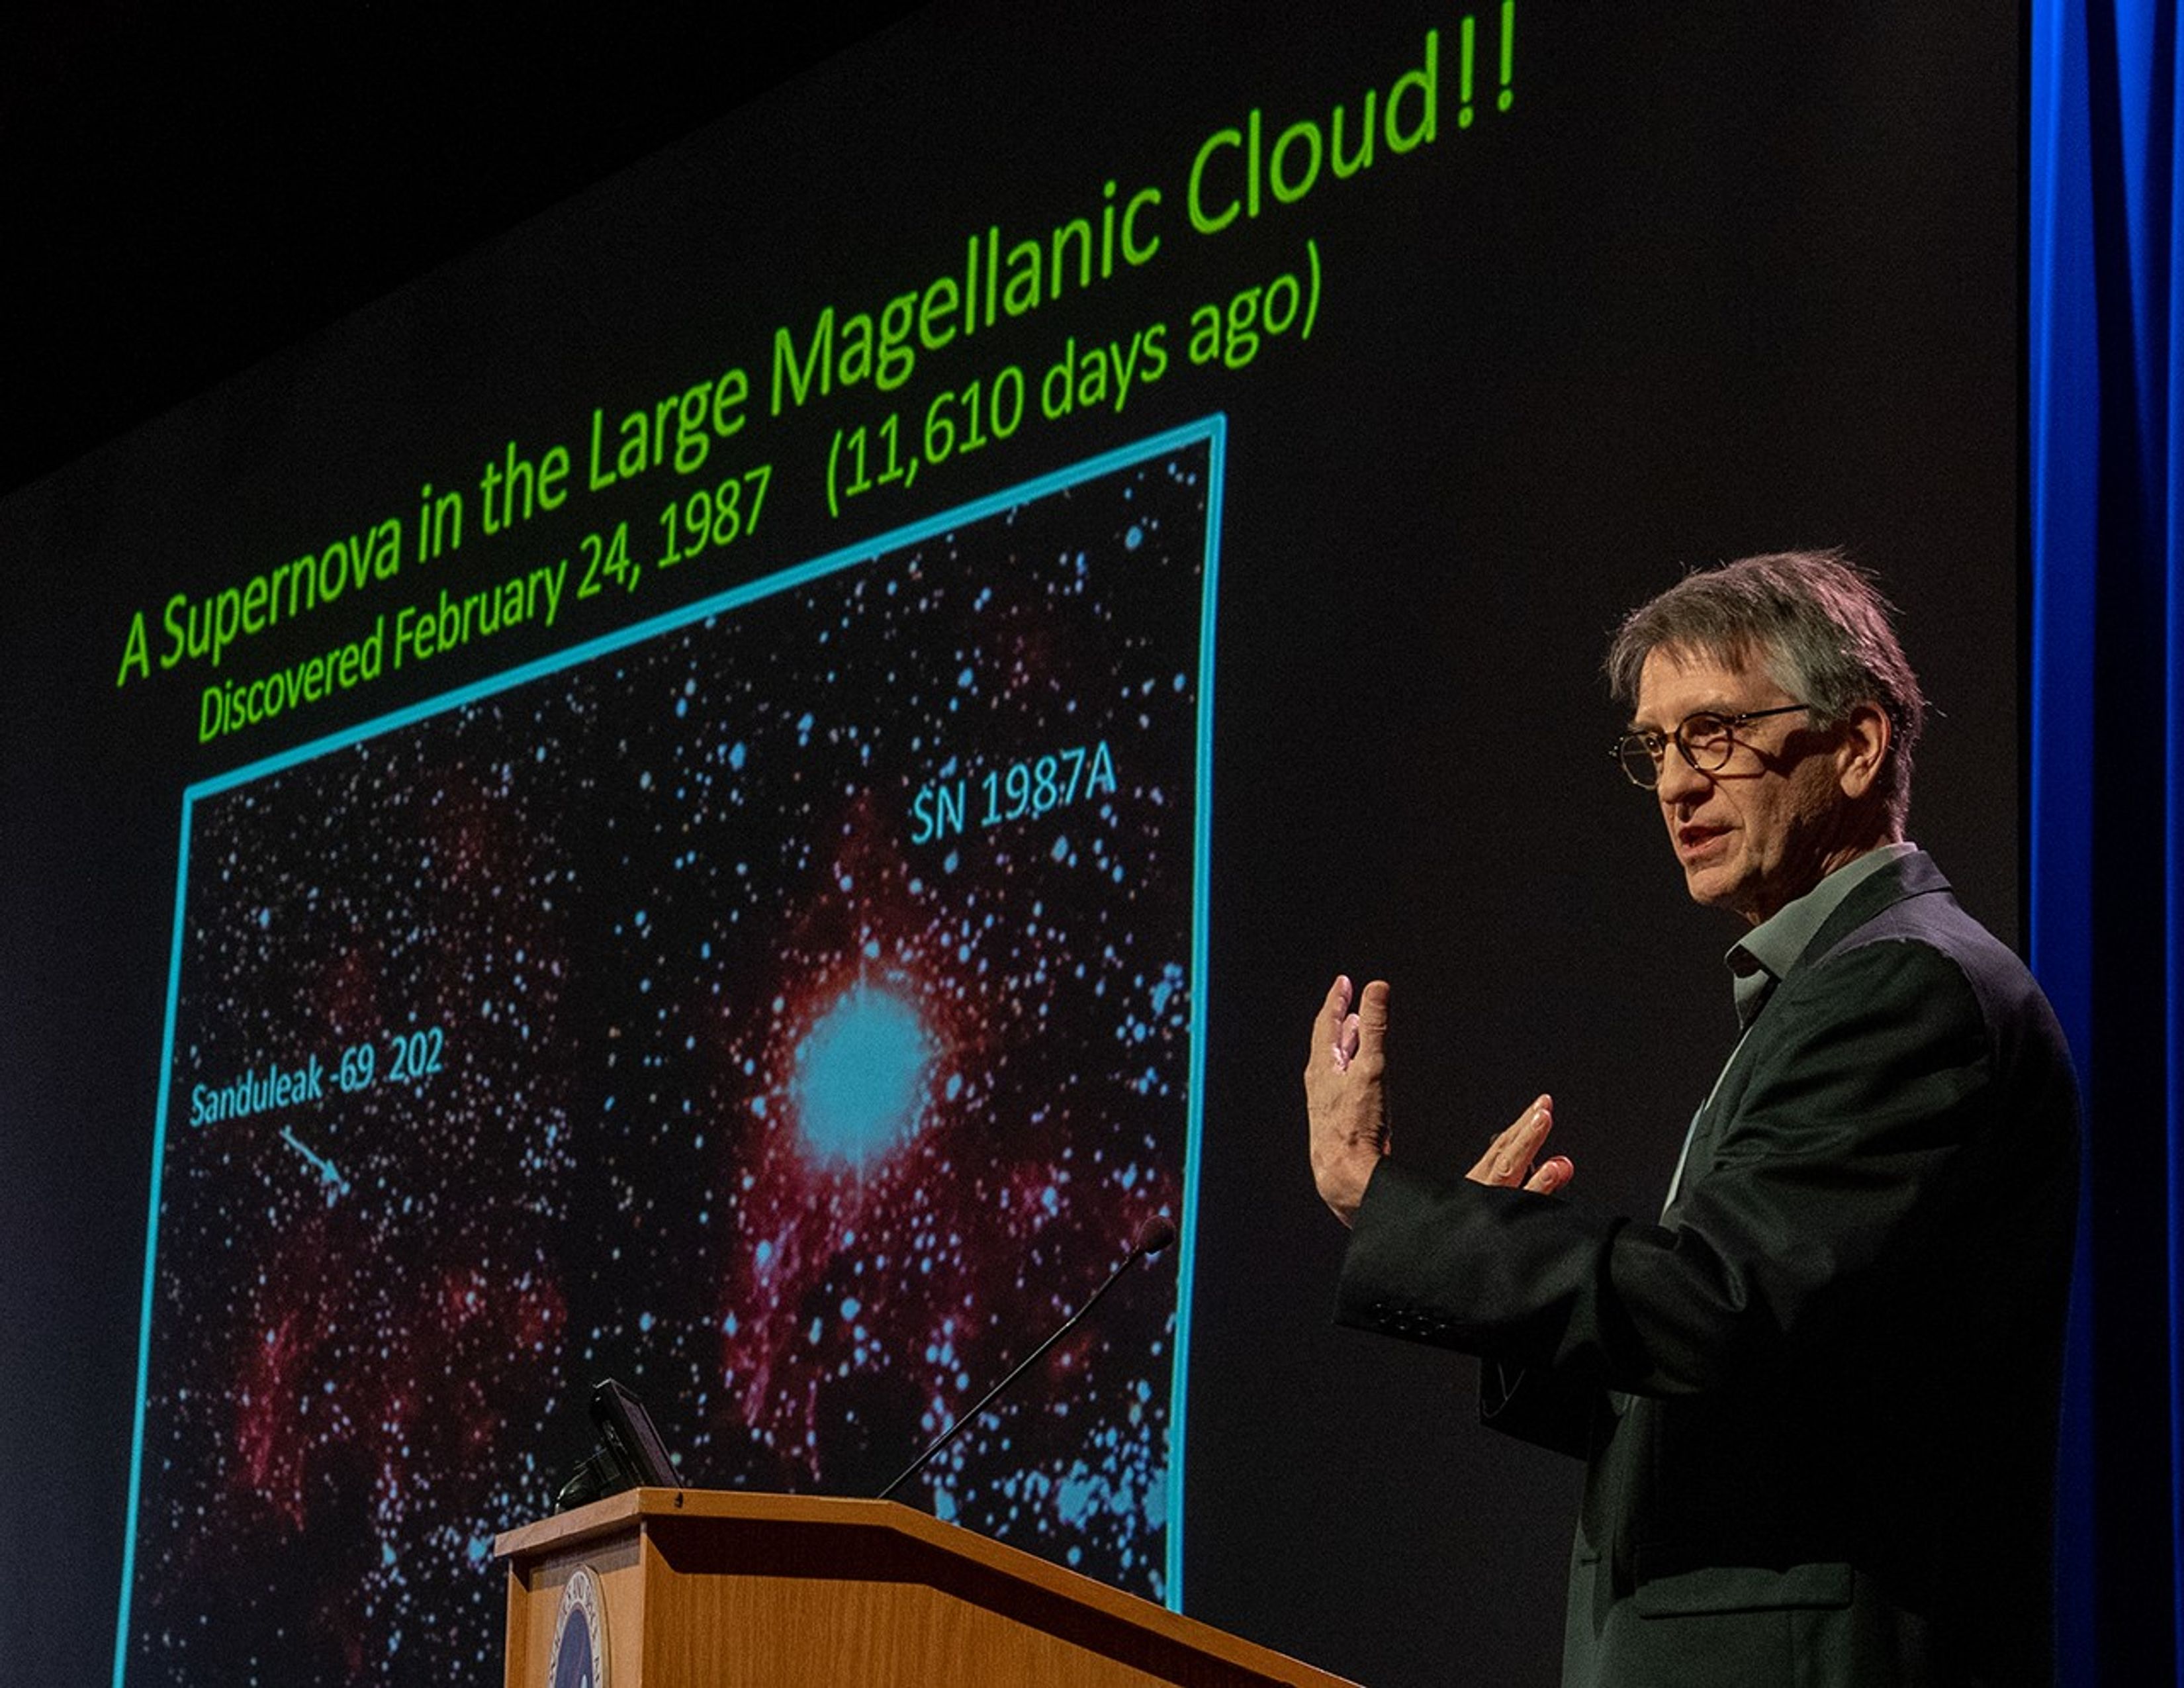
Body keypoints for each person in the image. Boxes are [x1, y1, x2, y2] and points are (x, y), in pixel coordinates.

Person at [1304, 550, 2079, 1687]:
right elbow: (1763, 1388)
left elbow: (1720, 1303)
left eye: (1712, 733)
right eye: (1655, 748)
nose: (1675, 784)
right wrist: (1504, 1295)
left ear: (1859, 746)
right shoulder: (1828, 992)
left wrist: (1390, 1205)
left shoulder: (1902, 989)